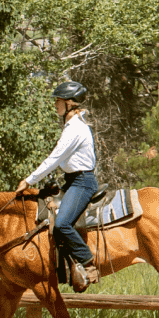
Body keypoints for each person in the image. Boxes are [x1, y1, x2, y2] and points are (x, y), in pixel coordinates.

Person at [19, 80, 101, 289]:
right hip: (72, 180)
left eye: (59, 100)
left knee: (62, 223)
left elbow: (54, 158)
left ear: (70, 104)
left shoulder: (75, 129)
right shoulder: (71, 126)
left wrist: (29, 180)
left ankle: (88, 263)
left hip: (82, 183)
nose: (55, 104)